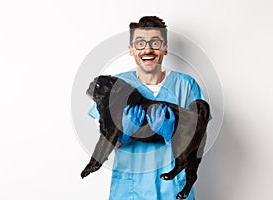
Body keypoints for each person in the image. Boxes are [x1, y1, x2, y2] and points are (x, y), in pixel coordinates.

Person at [88, 16, 206, 200]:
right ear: (131, 50)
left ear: (165, 48)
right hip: (129, 190)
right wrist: (124, 133)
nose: (148, 49)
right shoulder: (112, 86)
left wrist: (171, 135)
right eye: (140, 43)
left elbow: (197, 140)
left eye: (155, 43)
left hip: (173, 190)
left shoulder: (185, 85)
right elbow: (106, 141)